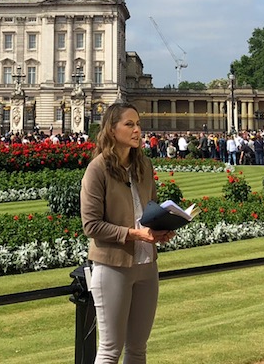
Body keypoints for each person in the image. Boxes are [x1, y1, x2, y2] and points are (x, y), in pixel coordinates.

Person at [80, 102, 174, 364]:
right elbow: (91, 225)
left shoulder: (144, 165)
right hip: (113, 265)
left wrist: (161, 230)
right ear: (111, 129)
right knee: (110, 350)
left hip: (146, 264)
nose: (137, 130)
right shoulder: (97, 169)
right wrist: (134, 234)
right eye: (129, 124)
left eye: (138, 124)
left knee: (138, 349)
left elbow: (151, 211)